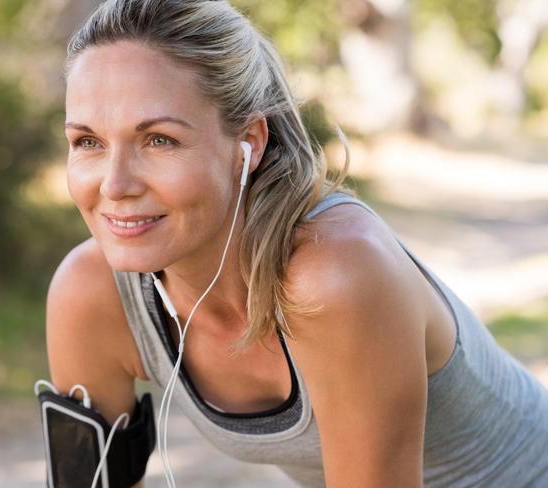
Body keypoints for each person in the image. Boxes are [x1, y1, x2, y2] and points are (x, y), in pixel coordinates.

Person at [44, 0, 548, 487]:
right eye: (88, 142)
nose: (114, 185)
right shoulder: (91, 295)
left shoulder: (335, 275)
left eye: (159, 140)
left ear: (251, 143)